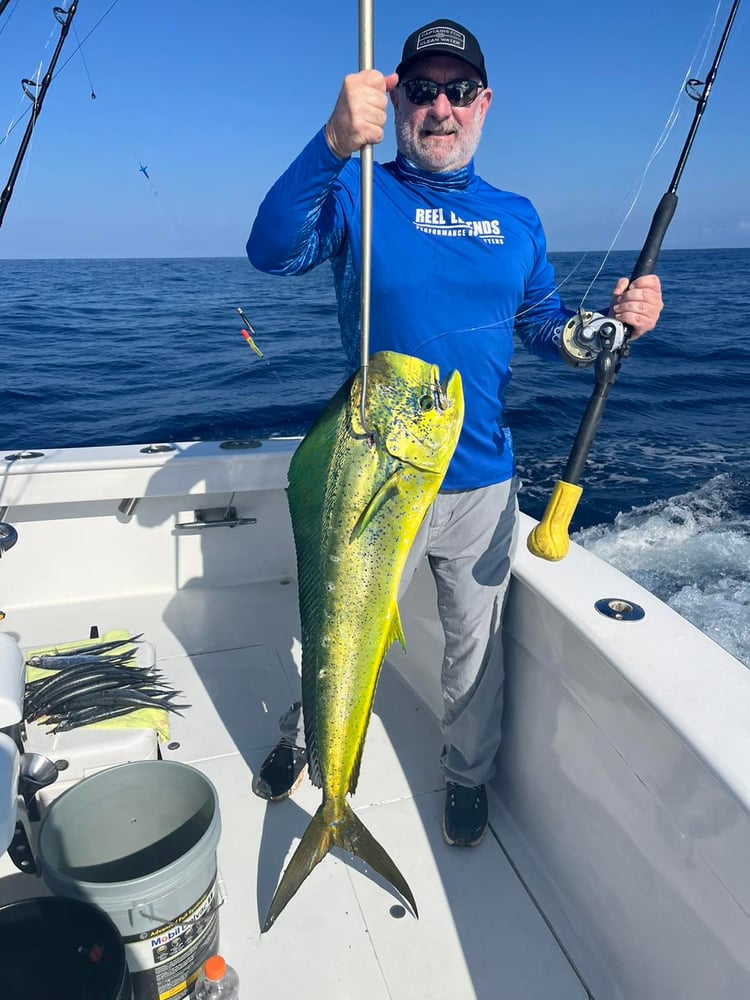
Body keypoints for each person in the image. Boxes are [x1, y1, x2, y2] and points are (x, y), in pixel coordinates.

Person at [246, 19, 663, 847]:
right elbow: (270, 250)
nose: (441, 107)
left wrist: (602, 331)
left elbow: (542, 323)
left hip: (479, 483)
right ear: (397, 97)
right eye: (423, 89)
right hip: (374, 480)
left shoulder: (517, 216)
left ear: (485, 103)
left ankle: (466, 777)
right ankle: (310, 736)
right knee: (339, 626)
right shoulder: (362, 188)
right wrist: (332, 142)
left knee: (475, 654)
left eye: (459, 90)